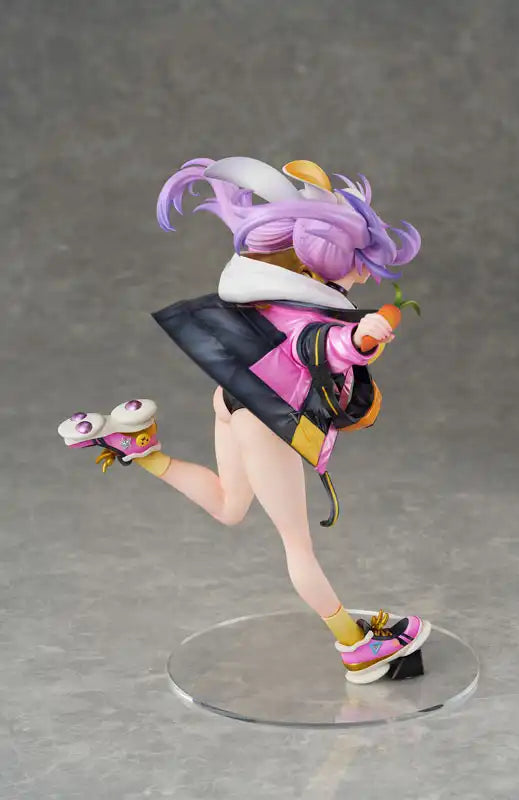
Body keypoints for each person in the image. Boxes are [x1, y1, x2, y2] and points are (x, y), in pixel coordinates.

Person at [58, 157, 431, 684]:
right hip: (264, 416)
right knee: (297, 546)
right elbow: (323, 345)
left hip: (232, 398)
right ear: (317, 263)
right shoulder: (307, 311)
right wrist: (363, 337)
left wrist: (356, 334)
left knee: (231, 506)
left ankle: (139, 449)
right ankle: (355, 646)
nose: (365, 272)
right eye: (358, 259)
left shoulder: (272, 296)